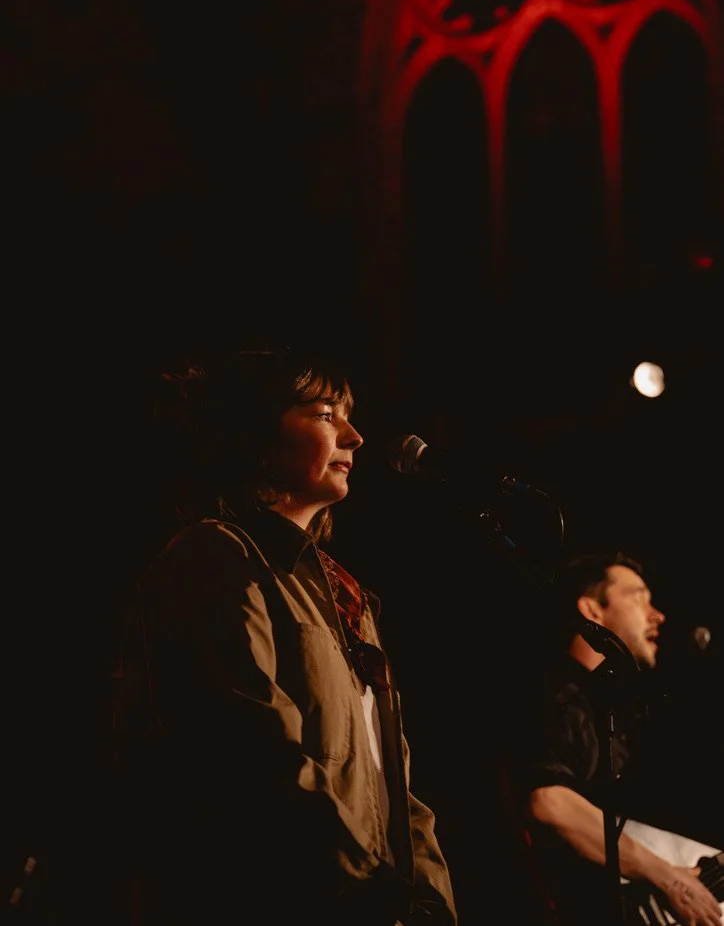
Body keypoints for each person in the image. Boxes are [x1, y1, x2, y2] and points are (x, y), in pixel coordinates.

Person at [109, 346, 458, 926]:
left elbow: (390, 780)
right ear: (255, 432)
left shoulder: (349, 599)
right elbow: (250, 752)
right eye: (325, 413)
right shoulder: (214, 557)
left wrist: (430, 904)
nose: (354, 436)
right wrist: (374, 896)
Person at [502, 550, 723, 926]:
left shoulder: (614, 710)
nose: (658, 615)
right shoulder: (556, 694)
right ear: (592, 610)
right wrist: (667, 876)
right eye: (638, 597)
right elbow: (548, 801)